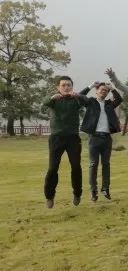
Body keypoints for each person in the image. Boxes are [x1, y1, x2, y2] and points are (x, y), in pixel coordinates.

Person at [43, 76, 91, 208]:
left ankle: (77, 193)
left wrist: (79, 96)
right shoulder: (54, 100)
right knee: (53, 167)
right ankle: (49, 196)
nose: (66, 87)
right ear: (58, 87)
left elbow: (87, 102)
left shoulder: (76, 100)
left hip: (73, 138)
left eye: (68, 85)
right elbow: (44, 102)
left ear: (72, 87)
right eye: (63, 85)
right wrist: (52, 98)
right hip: (56, 138)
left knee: (76, 166)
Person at [79, 81, 122, 201]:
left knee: (106, 164)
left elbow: (119, 99)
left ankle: (105, 188)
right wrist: (91, 85)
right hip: (94, 138)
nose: (104, 92)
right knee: (93, 164)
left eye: (106, 91)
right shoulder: (91, 102)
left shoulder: (109, 104)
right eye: (102, 89)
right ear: (96, 91)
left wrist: (112, 88)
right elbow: (79, 96)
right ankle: (93, 190)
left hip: (107, 138)